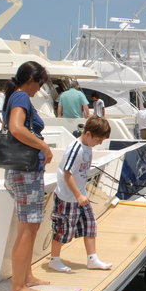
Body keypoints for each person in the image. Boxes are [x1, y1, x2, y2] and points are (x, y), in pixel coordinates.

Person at [2, 61, 53, 291]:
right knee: (27, 229)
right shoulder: (21, 97)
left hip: (22, 171)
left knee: (31, 227)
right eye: (39, 83)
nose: (39, 89)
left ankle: (26, 276)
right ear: (31, 80)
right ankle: (18, 287)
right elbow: (16, 128)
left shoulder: (15, 96)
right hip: (26, 173)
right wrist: (43, 146)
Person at [48, 116, 113, 273]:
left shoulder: (87, 147)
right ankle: (54, 259)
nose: (99, 143)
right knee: (63, 229)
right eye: (98, 140)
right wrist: (78, 195)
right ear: (88, 134)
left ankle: (92, 259)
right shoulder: (75, 148)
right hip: (68, 197)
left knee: (90, 225)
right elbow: (67, 173)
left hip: (80, 195)